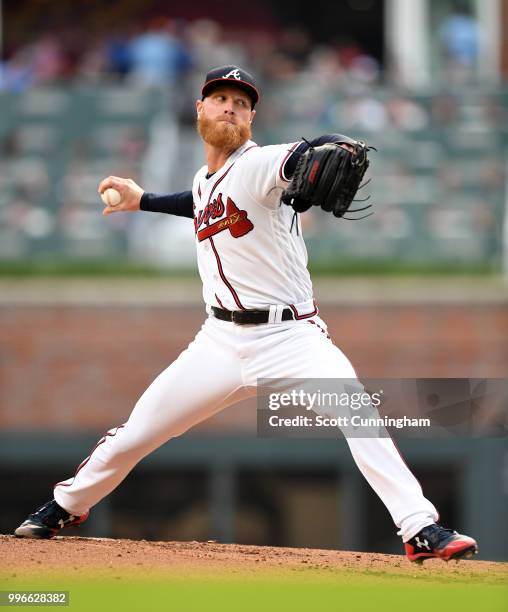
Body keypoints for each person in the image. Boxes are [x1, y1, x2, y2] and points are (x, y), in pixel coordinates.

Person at [15, 65, 478, 564]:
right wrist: (143, 200)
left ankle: (420, 527)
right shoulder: (204, 179)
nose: (230, 107)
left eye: (241, 102)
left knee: (358, 415)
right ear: (200, 110)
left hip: (292, 338)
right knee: (139, 431)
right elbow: (201, 201)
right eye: (220, 98)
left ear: (252, 117)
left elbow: (296, 158)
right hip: (218, 341)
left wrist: (324, 147)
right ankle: (64, 505)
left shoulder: (259, 164)